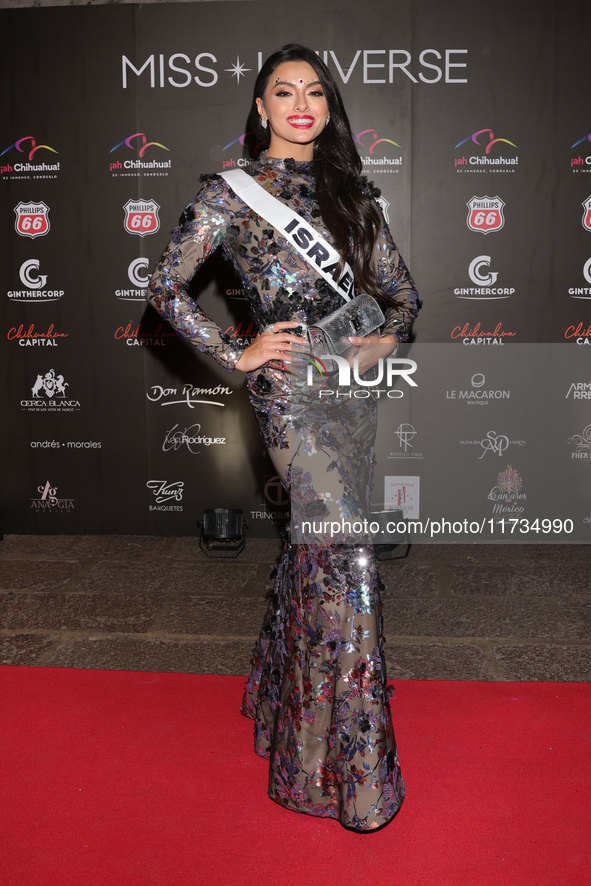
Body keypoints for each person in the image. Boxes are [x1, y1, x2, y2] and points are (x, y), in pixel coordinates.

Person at [148, 44, 420, 831]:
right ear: (260, 108)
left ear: (327, 109)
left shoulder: (353, 196)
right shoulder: (229, 194)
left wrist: (387, 339)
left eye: (314, 93)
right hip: (292, 400)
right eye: (282, 91)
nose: (300, 104)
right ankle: (348, 777)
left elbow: (402, 296)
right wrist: (237, 353)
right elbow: (163, 285)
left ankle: (283, 710)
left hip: (352, 398)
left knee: (317, 557)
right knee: (347, 559)